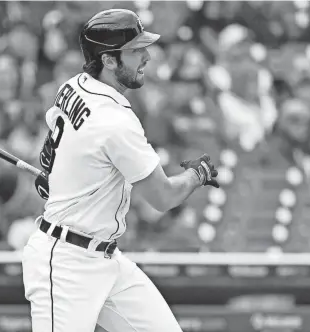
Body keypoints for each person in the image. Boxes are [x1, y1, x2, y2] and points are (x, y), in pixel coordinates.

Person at [23, 9, 219, 332]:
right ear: (109, 60)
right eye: (135, 50)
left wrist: (59, 176)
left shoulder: (74, 85)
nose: (147, 56)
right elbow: (163, 196)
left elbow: (53, 147)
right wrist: (196, 175)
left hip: (105, 258)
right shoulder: (116, 122)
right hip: (66, 265)